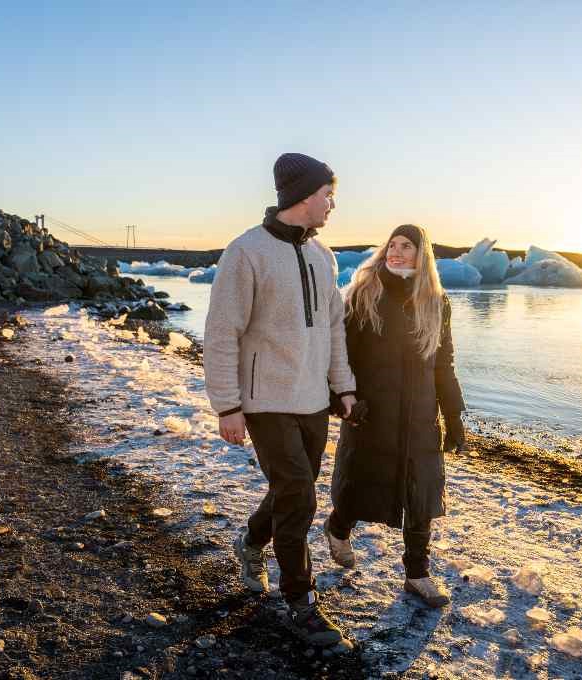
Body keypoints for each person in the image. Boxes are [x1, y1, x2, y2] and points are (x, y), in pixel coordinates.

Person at [204, 152, 357, 647]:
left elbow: (333, 327)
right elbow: (222, 332)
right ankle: (301, 600)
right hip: (264, 399)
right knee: (299, 494)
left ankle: (251, 544)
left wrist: (343, 385)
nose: (333, 203)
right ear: (303, 196)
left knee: (294, 489)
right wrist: (227, 405)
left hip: (313, 399)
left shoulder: (323, 255)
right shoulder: (246, 252)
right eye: (328, 194)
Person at [326, 224, 465, 608]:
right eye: (392, 244)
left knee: (421, 494)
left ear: (423, 256)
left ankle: (417, 574)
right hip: (372, 413)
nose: (397, 251)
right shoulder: (365, 294)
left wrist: (453, 416)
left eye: (407, 246)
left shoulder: (437, 303)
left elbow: (444, 365)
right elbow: (341, 357)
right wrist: (344, 400)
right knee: (360, 485)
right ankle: (338, 527)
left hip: (421, 416)